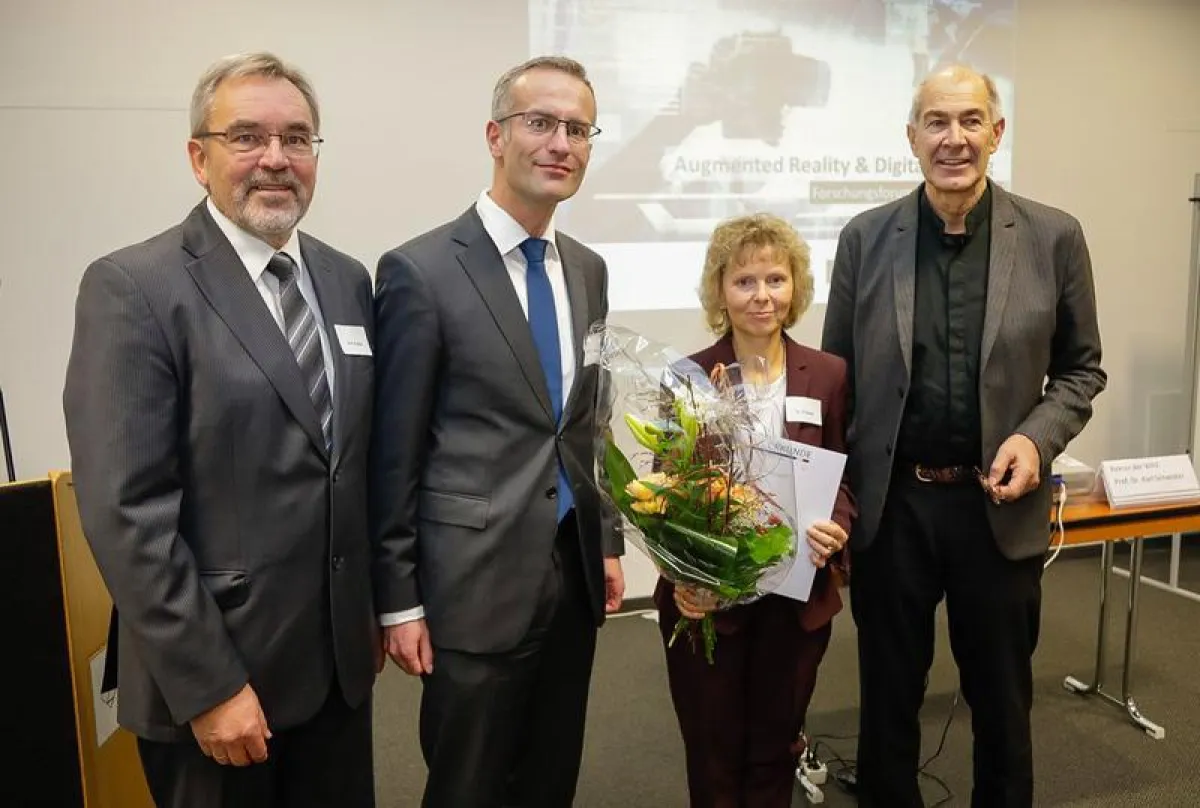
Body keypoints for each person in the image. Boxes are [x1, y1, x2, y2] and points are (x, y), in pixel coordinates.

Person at [63, 52, 379, 808]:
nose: (276, 158)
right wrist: (210, 686)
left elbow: (347, 465)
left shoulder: (346, 280)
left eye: (296, 138)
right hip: (217, 683)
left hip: (336, 674)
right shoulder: (135, 287)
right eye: (247, 136)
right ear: (198, 158)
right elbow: (127, 513)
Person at [821, 64, 1106, 807]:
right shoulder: (865, 239)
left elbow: (1081, 370)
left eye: (971, 120)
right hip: (894, 510)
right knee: (888, 701)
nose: (954, 138)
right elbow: (836, 381)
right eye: (937, 122)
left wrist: (1036, 440)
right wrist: (832, 505)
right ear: (911, 137)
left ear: (997, 132)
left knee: (1002, 703)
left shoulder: (1053, 237)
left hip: (997, 510)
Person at [370, 55, 625, 808]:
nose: (561, 144)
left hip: (571, 571)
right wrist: (399, 601)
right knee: (469, 786)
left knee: (550, 778)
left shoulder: (588, 269)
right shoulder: (420, 271)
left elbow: (587, 420)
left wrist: (606, 539)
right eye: (540, 123)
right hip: (471, 585)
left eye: (578, 129)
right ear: (495, 136)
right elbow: (394, 452)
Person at [657, 213, 856, 808]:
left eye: (775, 279)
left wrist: (837, 526)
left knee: (775, 749)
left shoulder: (829, 374)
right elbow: (667, 489)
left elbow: (847, 476)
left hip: (795, 600)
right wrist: (684, 574)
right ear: (720, 290)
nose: (762, 295)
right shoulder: (689, 376)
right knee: (713, 752)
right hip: (709, 601)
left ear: (795, 286)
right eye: (744, 281)